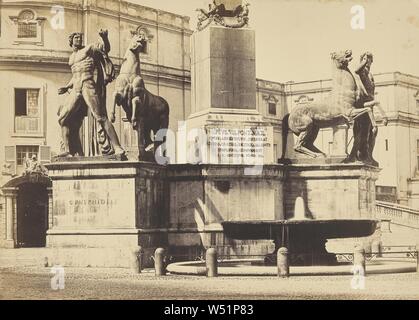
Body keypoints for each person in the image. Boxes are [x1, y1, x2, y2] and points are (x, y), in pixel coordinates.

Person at [58, 30, 125, 157]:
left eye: (80, 37)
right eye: (76, 37)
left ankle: (117, 147)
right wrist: (66, 86)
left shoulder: (88, 49)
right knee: (63, 119)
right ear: (71, 41)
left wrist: (105, 38)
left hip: (87, 84)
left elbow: (105, 49)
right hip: (75, 88)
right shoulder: (71, 58)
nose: (79, 39)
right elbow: (75, 75)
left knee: (100, 117)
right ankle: (67, 150)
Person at [345, 52, 388, 166]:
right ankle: (356, 155)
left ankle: (368, 155)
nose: (367, 61)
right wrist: (364, 61)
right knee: (361, 133)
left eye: (369, 59)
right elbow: (357, 70)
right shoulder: (362, 72)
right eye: (364, 58)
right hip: (362, 106)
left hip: (370, 105)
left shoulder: (370, 75)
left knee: (372, 132)